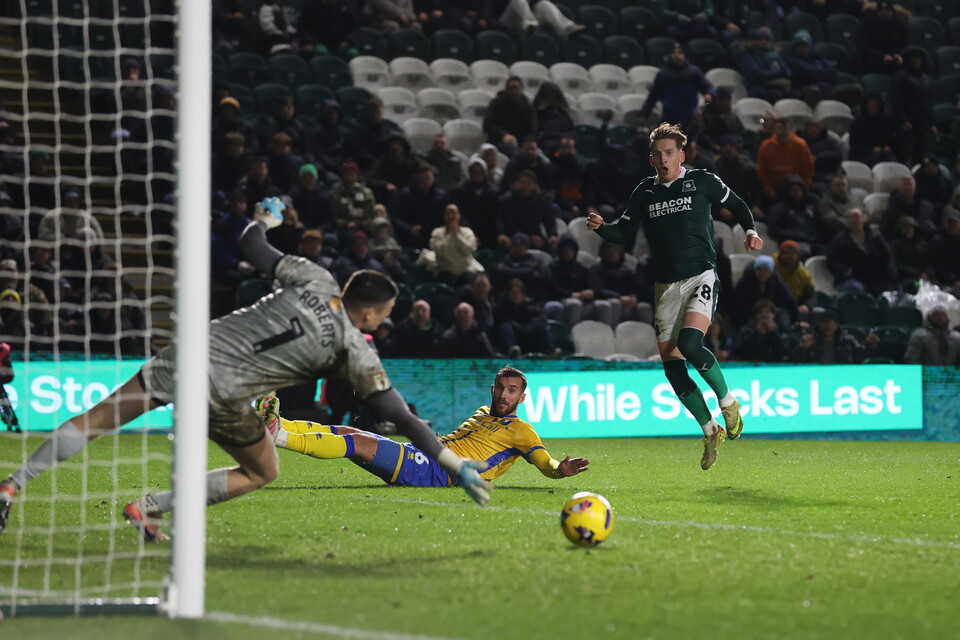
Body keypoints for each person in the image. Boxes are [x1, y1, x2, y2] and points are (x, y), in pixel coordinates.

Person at [0, 198, 491, 537]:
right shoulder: (355, 351)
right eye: (383, 317)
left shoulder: (316, 277)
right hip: (225, 394)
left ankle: (12, 483)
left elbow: (252, 245)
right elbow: (405, 420)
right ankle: (149, 507)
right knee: (262, 470)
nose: (381, 325)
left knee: (98, 419)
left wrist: (263, 217)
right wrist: (455, 464)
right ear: (369, 313)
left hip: (190, 351)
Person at [586, 123, 763, 470]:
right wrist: (602, 228)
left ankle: (728, 403)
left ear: (682, 155)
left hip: (701, 275)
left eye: (669, 152)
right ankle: (709, 429)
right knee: (673, 369)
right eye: (657, 154)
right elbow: (622, 232)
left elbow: (738, 205)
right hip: (665, 287)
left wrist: (751, 230)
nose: (663, 159)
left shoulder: (702, 181)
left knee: (691, 344)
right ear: (650, 159)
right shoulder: (644, 192)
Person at [257, 365, 588, 489]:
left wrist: (561, 469)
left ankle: (280, 436)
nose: (504, 394)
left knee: (356, 442)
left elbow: (545, 464)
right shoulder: (484, 412)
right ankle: (277, 424)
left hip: (438, 473)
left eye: (512, 390)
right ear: (492, 389)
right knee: (346, 432)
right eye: (500, 387)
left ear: (523, 397)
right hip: (425, 455)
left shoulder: (523, 432)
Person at [640, 43, 715, 132]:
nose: (677, 55)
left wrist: (709, 94)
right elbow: (653, 96)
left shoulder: (694, 72)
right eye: (674, 53)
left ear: (684, 55)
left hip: (690, 117)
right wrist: (644, 114)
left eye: (680, 52)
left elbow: (708, 87)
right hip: (669, 117)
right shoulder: (663, 75)